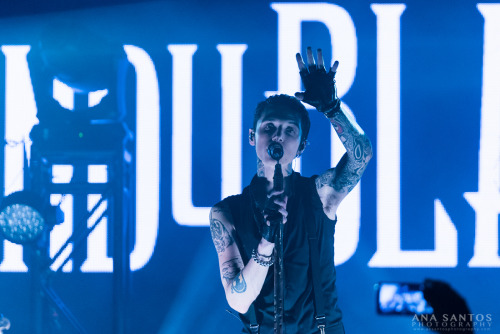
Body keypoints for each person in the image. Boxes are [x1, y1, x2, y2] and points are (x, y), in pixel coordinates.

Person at [210, 47, 373, 333]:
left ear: (301, 147)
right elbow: (238, 300)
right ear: (252, 137)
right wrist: (267, 241)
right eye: (269, 127)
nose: (277, 136)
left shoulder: (319, 195)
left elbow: (361, 156)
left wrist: (332, 109)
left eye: (289, 131)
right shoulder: (227, 213)